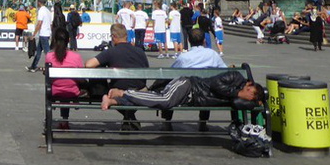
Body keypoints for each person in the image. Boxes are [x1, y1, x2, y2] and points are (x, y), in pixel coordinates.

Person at [102, 70, 265, 115]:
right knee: (164, 100)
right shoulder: (235, 77)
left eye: (254, 96)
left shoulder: (243, 97)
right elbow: (215, 84)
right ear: (249, 84)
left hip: (189, 98)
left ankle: (113, 100)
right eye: (252, 91)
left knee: (155, 100)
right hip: (188, 85)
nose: (251, 94)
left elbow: (238, 103)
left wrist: (252, 101)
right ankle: (123, 93)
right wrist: (237, 92)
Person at [85, 22, 148, 129]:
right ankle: (129, 117)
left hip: (119, 90)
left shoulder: (111, 51)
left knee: (99, 82)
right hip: (141, 89)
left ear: (114, 37)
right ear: (126, 36)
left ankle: (129, 116)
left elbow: (88, 65)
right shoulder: (140, 51)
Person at [47, 28, 85, 129]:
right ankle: (65, 120)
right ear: (68, 40)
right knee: (70, 85)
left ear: (54, 40)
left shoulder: (49, 56)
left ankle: (64, 121)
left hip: (55, 90)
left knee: (61, 86)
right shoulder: (76, 56)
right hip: (73, 91)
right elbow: (82, 75)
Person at [26, 0, 53, 72]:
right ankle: (33, 66)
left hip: (43, 34)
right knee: (38, 51)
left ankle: (50, 66)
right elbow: (51, 24)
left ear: (39, 2)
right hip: (46, 33)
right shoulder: (48, 11)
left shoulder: (41, 11)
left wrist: (34, 34)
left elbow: (39, 23)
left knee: (47, 52)